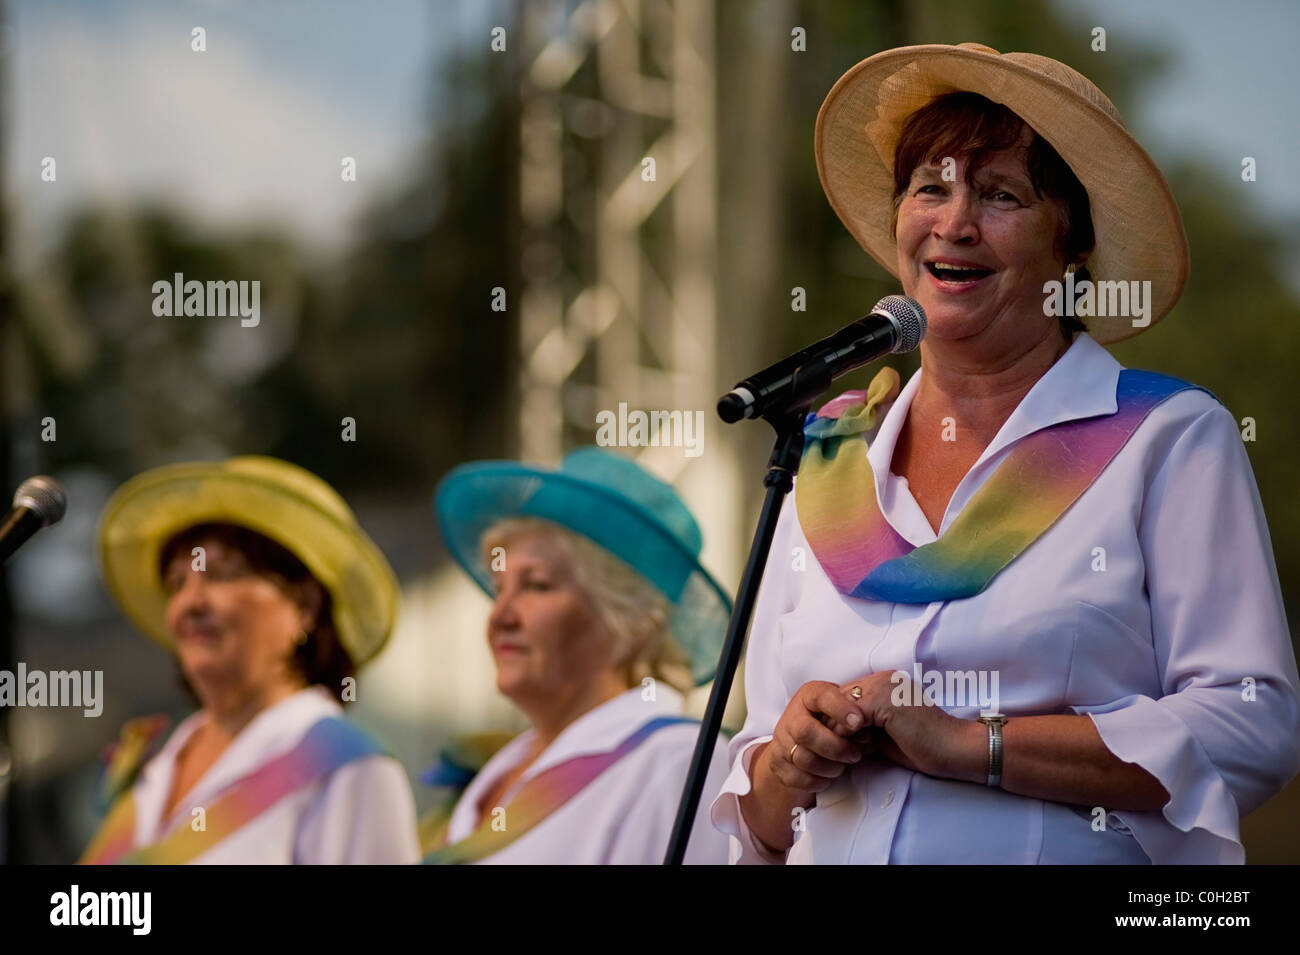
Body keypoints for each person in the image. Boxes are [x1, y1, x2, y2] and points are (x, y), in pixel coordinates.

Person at [711, 42, 1300, 864]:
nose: (954, 223)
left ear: (1073, 247)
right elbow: (758, 814)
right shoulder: (824, 454)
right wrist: (786, 760)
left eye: (999, 195)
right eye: (930, 188)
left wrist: (972, 743)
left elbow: (1252, 723)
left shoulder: (1167, 437)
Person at [81, 456, 420, 864]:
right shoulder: (154, 768)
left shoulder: (349, 770)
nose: (190, 602)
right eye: (176, 583)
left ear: (305, 606)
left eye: (222, 574)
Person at [422, 446, 732, 864]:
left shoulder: (679, 762)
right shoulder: (502, 764)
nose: (500, 616)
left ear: (622, 613)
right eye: (499, 589)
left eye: (537, 585)